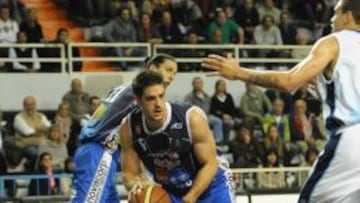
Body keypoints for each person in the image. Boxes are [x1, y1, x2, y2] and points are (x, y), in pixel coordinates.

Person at [202, 0, 360, 202]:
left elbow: (289, 82)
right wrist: (326, 90)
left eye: (336, 13)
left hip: (351, 139)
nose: (331, 19)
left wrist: (238, 72)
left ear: (348, 16)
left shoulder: (334, 41)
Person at [70, 54, 178, 203]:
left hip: (99, 152)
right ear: (153, 67)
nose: (172, 76)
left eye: (174, 73)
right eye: (169, 70)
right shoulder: (138, 93)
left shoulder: (129, 89)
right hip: (100, 150)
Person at [120, 71, 233, 203]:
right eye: (151, 98)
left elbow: (210, 163)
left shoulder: (191, 117)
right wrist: (135, 185)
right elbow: (129, 173)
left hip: (212, 183)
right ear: (138, 100)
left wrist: (192, 196)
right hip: (172, 189)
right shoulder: (129, 127)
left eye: (161, 96)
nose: (158, 104)